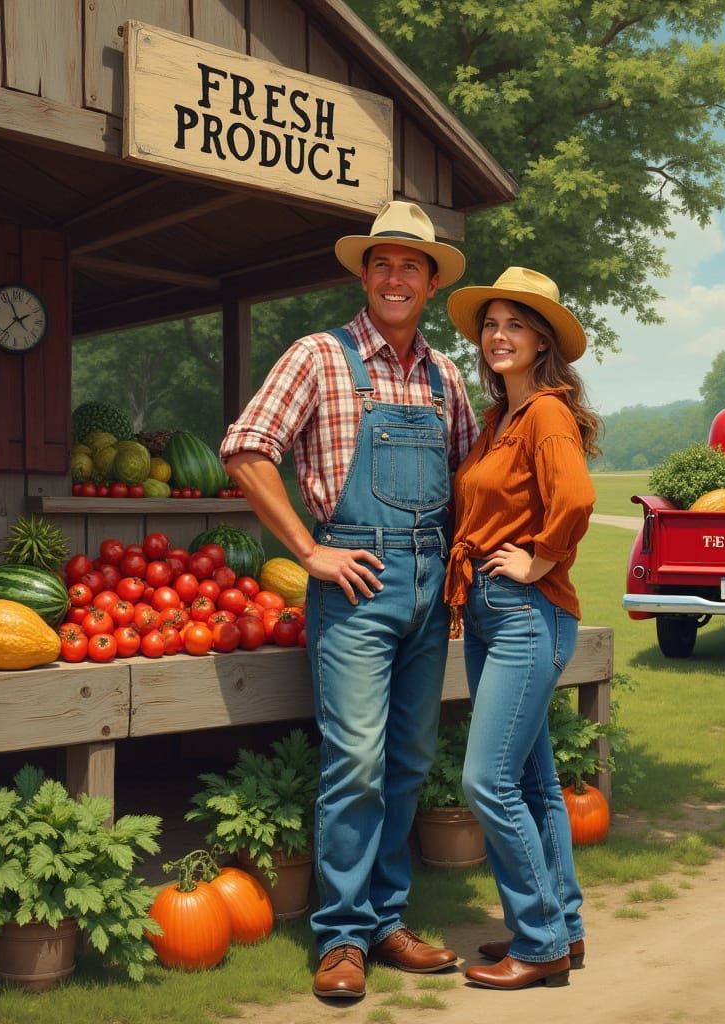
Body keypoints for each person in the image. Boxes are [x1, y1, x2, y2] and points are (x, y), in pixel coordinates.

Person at [220, 201, 479, 1000]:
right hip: (356, 586)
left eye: (411, 266)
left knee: (406, 760)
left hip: (429, 591)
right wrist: (307, 550)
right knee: (358, 760)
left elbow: (471, 478)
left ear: (431, 284)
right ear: (365, 276)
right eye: (382, 264)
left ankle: (385, 921)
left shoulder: (444, 377)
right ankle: (339, 937)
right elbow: (246, 448)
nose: (395, 277)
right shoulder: (318, 357)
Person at [442, 267, 599, 990]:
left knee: (487, 780)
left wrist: (539, 559)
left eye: (516, 325)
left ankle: (537, 946)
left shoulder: (545, 413)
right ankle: (562, 927)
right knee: (534, 784)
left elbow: (575, 498)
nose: (498, 335)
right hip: (488, 611)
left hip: (525, 616)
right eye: (491, 324)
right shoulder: (499, 419)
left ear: (542, 343)